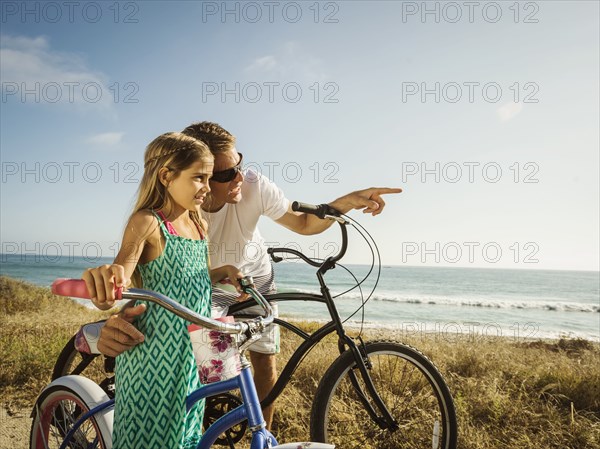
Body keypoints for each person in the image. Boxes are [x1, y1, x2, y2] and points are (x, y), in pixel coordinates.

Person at [85, 122, 402, 429]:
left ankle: (261, 433)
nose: (238, 177)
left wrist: (345, 202)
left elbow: (304, 224)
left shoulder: (253, 185)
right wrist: (116, 297)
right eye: (222, 174)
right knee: (203, 362)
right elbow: (142, 269)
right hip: (207, 287)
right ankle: (191, 413)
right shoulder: (181, 210)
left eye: (239, 164)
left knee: (265, 360)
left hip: (254, 279)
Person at [84, 132, 244, 449]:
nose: (208, 188)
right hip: (152, 358)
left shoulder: (199, 222)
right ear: (166, 176)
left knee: (188, 437)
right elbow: (121, 278)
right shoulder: (147, 222)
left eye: (209, 178)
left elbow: (184, 276)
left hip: (193, 357)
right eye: (199, 178)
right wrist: (108, 284)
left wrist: (219, 273)